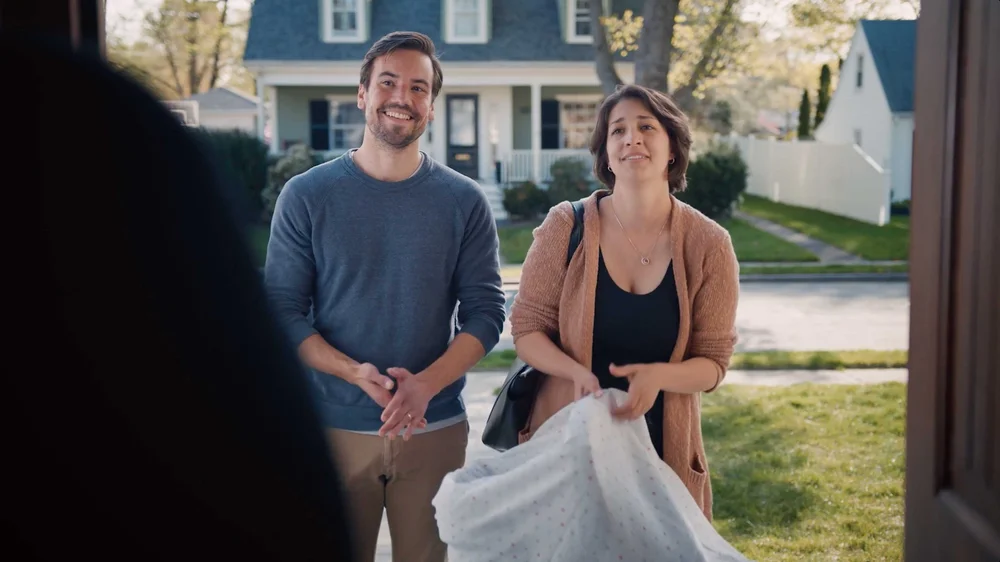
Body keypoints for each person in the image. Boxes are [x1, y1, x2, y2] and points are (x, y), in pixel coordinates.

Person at [264, 31, 506, 562]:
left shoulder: (463, 202)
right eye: (388, 82)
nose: (402, 97)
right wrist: (353, 372)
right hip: (331, 428)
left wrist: (425, 386)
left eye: (418, 88)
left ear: (432, 108)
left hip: (434, 427)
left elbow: (487, 313)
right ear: (362, 93)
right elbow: (281, 312)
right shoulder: (306, 195)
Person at [509, 83, 740, 522]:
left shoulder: (710, 243)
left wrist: (659, 377)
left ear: (672, 148)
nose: (631, 138)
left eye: (646, 126)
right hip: (567, 444)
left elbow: (713, 364)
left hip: (662, 455)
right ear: (606, 154)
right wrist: (573, 371)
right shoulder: (566, 225)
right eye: (617, 130)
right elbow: (526, 330)